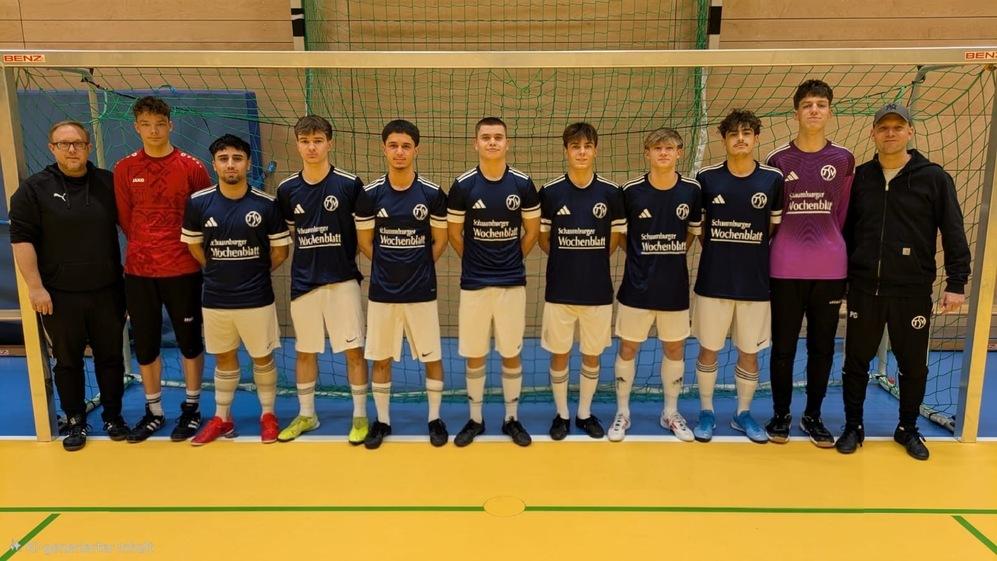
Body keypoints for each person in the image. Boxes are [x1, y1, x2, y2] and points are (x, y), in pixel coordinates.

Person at [837, 103, 970, 461]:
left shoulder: (933, 177)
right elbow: (846, 233)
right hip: (865, 288)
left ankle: (907, 428)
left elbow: (953, 230)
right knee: (856, 362)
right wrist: (842, 280)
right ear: (873, 133)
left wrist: (957, 282)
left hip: (912, 290)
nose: (891, 133)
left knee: (912, 365)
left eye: (898, 127)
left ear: (910, 131)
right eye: (884, 127)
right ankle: (853, 426)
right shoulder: (860, 178)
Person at [9, 120, 129, 451]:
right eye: (64, 144)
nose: (72, 149)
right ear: (52, 148)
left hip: (107, 290)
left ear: (88, 147)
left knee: (111, 358)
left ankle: (114, 417)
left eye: (78, 143)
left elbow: (132, 228)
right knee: (68, 360)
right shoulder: (33, 190)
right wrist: (35, 287)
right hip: (59, 295)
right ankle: (75, 419)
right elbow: (21, 240)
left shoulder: (108, 183)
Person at [180, 134, 291, 446]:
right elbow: (194, 247)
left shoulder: (266, 204)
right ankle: (222, 417)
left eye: (237, 158)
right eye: (224, 159)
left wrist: (253, 272)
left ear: (248, 163)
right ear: (214, 164)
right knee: (224, 358)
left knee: (262, 358)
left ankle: (268, 415)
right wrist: (218, 270)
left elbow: (280, 252)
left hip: (256, 298)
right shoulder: (198, 202)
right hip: (216, 298)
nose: (231, 164)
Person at [114, 96, 212, 443]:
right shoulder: (125, 168)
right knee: (145, 343)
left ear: (170, 125)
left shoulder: (191, 167)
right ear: (136, 127)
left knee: (189, 340)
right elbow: (125, 219)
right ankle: (153, 410)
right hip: (140, 271)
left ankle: (192, 408)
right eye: (146, 124)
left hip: (183, 269)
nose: (153, 131)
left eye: (159, 124)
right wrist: (148, 246)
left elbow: (205, 216)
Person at [763, 80, 854, 448]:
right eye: (807, 105)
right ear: (796, 112)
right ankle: (781, 414)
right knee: (783, 347)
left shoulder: (843, 159)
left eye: (821, 104)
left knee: (822, 347)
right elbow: (773, 217)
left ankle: (813, 415)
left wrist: (828, 243)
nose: (814, 110)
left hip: (830, 268)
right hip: (785, 266)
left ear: (830, 111)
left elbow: (843, 213)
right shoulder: (778, 160)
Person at [354, 120, 449, 449]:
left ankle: (434, 419)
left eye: (406, 146)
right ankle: (382, 421)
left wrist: (417, 265)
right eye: (393, 145)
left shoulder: (432, 194)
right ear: (384, 148)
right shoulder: (369, 195)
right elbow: (365, 242)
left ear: (416, 150)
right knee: (381, 359)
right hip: (383, 292)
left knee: (432, 357)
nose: (399, 152)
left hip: (421, 292)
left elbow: (441, 240)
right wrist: (390, 265)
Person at [275, 115, 370, 444]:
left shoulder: (349, 184)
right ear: (297, 144)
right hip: (304, 284)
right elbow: (293, 233)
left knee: (353, 350)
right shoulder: (287, 189)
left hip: (343, 281)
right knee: (305, 351)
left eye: (317, 141)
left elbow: (359, 236)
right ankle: (307, 415)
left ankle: (360, 416)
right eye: (305, 141)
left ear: (330, 143)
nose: (311, 147)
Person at [447, 117, 540, 447]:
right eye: (485, 137)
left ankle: (511, 419)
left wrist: (511, 258)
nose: (492, 142)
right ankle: (475, 419)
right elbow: (454, 234)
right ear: (476, 143)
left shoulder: (522, 184)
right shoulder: (463, 186)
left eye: (498, 137)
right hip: (474, 284)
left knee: (510, 353)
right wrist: (476, 260)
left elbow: (532, 232)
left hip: (511, 283)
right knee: (475, 354)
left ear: (507, 143)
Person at [692, 109, 784, 444]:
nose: (740, 139)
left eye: (747, 133)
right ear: (724, 139)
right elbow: (701, 231)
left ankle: (743, 413)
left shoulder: (773, 179)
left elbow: (773, 228)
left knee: (749, 352)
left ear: (756, 138)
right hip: (713, 281)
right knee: (708, 349)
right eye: (733, 133)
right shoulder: (706, 178)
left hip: (754, 283)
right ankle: (706, 411)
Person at [609, 128, 701, 443]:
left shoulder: (692, 190)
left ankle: (670, 412)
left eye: (669, 148)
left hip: (674, 287)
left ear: (679, 153)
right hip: (636, 286)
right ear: (647, 153)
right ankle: (623, 412)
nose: (663, 153)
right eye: (657, 148)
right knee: (628, 348)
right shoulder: (630, 191)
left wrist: (669, 254)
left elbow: (691, 234)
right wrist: (641, 256)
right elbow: (622, 236)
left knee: (674, 349)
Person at [538, 122, 626, 440]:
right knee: (559, 353)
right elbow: (544, 239)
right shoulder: (550, 192)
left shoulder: (611, 193)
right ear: (566, 151)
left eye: (587, 146)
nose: (582, 152)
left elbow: (614, 239)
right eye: (575, 146)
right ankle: (562, 414)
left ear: (595, 150)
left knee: (592, 354)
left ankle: (584, 413)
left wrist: (591, 258)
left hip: (597, 290)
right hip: (559, 290)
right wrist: (568, 258)